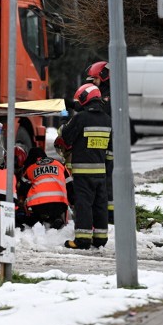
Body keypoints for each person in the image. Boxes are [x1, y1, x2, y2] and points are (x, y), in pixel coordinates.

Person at [57, 83, 111, 249]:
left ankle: (82, 240)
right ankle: (100, 239)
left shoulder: (80, 118)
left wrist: (65, 119)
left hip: (82, 171)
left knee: (84, 204)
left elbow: (65, 137)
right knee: (100, 205)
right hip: (101, 171)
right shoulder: (107, 119)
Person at [86, 61, 115, 224]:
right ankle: (107, 213)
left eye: (94, 78)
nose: (92, 81)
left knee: (108, 181)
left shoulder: (107, 96)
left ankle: (110, 215)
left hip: (109, 146)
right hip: (106, 145)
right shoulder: (103, 92)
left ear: (104, 76)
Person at [19, 147, 70, 229]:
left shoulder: (30, 168)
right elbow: (69, 184)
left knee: (36, 214)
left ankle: (38, 219)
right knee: (56, 212)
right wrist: (73, 201)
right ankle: (56, 218)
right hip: (59, 205)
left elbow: (22, 189)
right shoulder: (59, 164)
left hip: (38, 205)